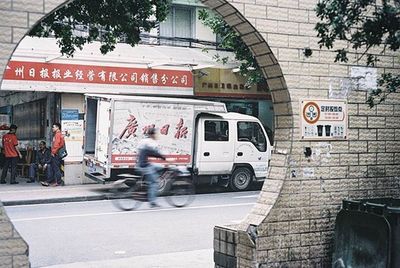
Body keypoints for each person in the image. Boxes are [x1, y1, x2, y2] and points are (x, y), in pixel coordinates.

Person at [137, 128, 166, 208]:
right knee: (154, 182)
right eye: (155, 134)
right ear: (152, 134)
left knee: (159, 167)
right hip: (144, 166)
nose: (156, 136)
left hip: (141, 164)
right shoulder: (150, 142)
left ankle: (148, 183)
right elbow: (154, 153)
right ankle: (152, 202)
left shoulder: (143, 141)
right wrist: (162, 157)